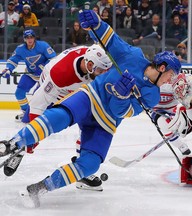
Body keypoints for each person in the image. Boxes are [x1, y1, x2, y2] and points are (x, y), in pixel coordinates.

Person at [0, 9, 181, 208]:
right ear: (162, 67)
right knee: (59, 116)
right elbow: (111, 40)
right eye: (172, 74)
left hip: (107, 121)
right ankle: (11, 143)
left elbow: (121, 111)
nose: (171, 80)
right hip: (91, 97)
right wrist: (96, 24)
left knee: (91, 163)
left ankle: (40, 188)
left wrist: (121, 95)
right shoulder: (134, 56)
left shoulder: (152, 95)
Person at [3, 44, 112, 192]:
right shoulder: (60, 74)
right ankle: (20, 149)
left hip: (79, 90)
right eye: (100, 71)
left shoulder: (95, 57)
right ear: (90, 65)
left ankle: (82, 171)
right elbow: (38, 103)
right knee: (35, 126)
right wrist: (31, 136)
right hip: (55, 90)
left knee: (90, 124)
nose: (103, 74)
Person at [0, 29, 56, 121]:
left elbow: (53, 58)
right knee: (19, 93)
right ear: (24, 39)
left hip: (45, 76)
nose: (29, 39)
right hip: (31, 74)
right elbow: (13, 60)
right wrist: (8, 69)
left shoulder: (43, 46)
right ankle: (26, 112)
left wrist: (42, 67)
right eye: (27, 38)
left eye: (31, 37)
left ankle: (42, 113)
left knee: (37, 96)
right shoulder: (20, 49)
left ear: (34, 38)